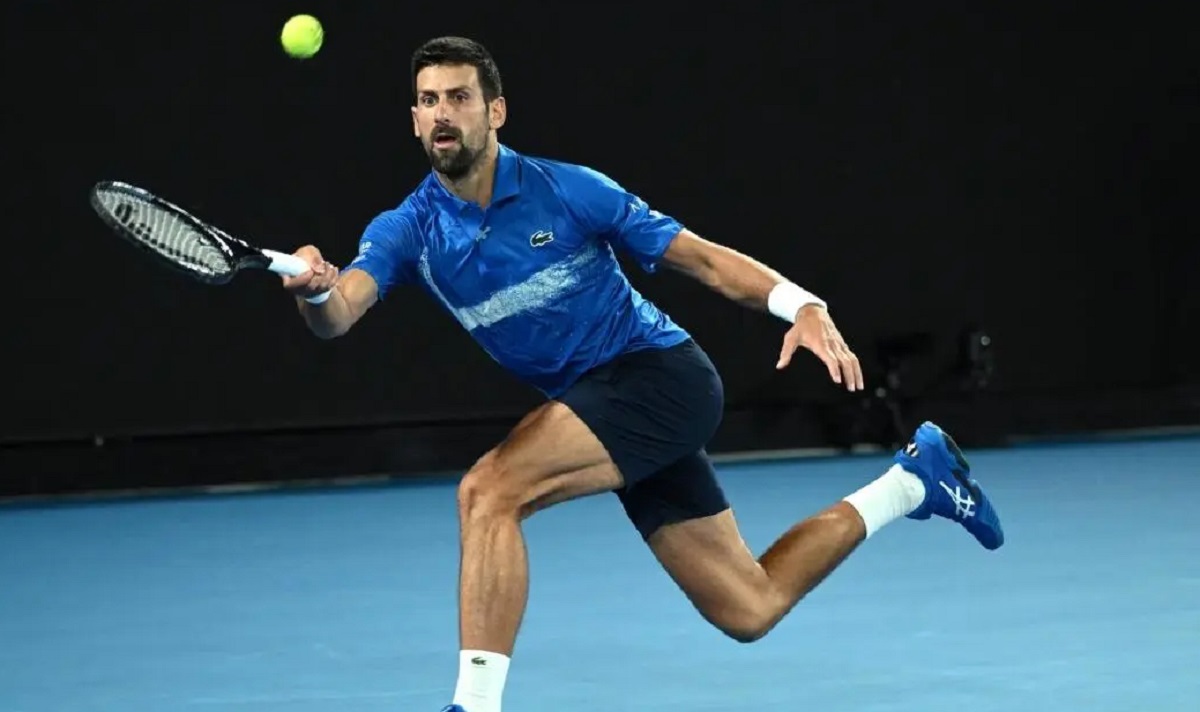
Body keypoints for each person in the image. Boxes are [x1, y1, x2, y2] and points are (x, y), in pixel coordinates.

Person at [281, 36, 1004, 712]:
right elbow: (342, 312)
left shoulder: (567, 191)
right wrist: (316, 292)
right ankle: (914, 482)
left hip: (659, 378)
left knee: (488, 492)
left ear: (494, 111)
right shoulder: (406, 230)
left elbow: (705, 261)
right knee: (749, 607)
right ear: (413, 120)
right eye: (430, 101)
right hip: (604, 411)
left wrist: (800, 304)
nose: (444, 115)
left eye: (460, 98)